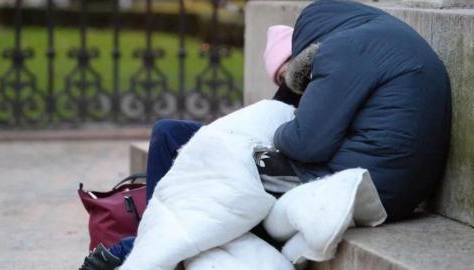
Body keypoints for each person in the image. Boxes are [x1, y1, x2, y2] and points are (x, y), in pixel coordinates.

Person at [79, 25, 299, 270]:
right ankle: (156, 232)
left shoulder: (326, 79)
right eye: (282, 75)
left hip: (273, 178)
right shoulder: (299, 90)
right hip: (257, 152)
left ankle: (147, 245)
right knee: (166, 131)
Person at [272, 0, 451, 223]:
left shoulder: (341, 49)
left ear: (300, 53)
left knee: (248, 168)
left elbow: (306, 144)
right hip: (404, 193)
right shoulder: (384, 36)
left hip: (368, 186)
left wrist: (276, 131)